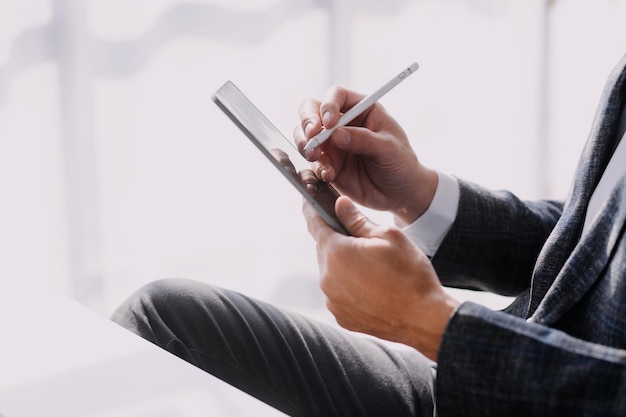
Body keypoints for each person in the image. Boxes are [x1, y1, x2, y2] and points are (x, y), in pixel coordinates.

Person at [112, 51, 626, 416]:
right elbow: (593, 247)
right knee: (164, 316)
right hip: (470, 383)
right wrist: (419, 195)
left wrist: (432, 326)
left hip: (516, 382)